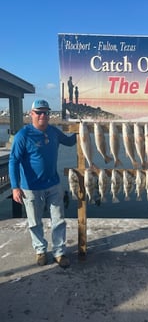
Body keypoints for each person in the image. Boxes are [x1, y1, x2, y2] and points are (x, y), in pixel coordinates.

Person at [9, 99, 77, 268]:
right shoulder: (23, 135)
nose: (42, 116)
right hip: (30, 188)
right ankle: (40, 250)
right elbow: (13, 161)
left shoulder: (54, 131)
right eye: (39, 112)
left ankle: (59, 252)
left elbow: (69, 142)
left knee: (59, 220)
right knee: (34, 222)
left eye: (46, 112)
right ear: (31, 114)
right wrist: (15, 187)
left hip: (53, 184)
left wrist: (82, 130)